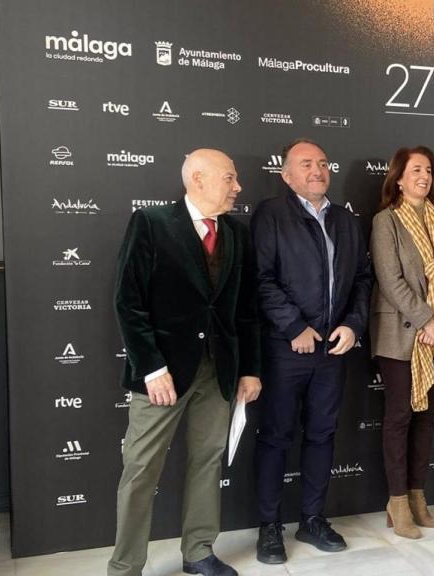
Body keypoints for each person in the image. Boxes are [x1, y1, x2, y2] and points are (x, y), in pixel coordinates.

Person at [109, 149, 261, 576]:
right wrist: (152, 368)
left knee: (207, 462)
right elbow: (128, 302)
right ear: (198, 179)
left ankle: (198, 552)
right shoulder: (151, 223)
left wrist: (250, 368)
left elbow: (246, 310)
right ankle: (125, 567)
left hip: (219, 373)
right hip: (162, 375)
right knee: (141, 469)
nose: (238, 187)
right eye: (230, 178)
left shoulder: (237, 234)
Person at [250, 138, 372, 562]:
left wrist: (354, 326)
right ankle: (269, 527)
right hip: (288, 350)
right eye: (306, 164)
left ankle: (312, 519)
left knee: (322, 435)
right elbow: (261, 279)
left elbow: (362, 280)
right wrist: (294, 326)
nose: (317, 170)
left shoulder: (345, 220)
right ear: (286, 175)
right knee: (276, 437)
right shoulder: (271, 214)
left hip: (333, 350)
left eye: (322, 162)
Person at [370, 146, 434, 539]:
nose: (424, 175)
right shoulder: (385, 221)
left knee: (426, 419)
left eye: (429, 169)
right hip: (400, 336)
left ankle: (418, 498)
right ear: (399, 177)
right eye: (417, 169)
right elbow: (391, 281)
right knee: (399, 419)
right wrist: (427, 319)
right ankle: (397, 505)